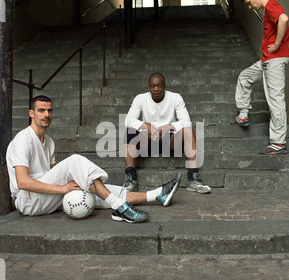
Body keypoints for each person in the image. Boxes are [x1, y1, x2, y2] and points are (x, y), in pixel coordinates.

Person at [6, 95, 181, 223]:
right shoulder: (23, 139)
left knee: (97, 190)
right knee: (74, 161)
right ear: (31, 113)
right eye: (41, 110)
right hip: (28, 200)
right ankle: (119, 207)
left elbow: (54, 173)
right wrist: (62, 189)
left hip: (45, 195)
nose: (46, 114)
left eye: (49, 110)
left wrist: (80, 182)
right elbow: (22, 182)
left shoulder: (49, 142)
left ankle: (157, 195)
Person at [123, 72, 211, 194]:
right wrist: (146, 125)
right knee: (130, 131)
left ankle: (193, 179)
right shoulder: (140, 98)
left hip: (169, 141)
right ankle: (131, 178)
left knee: (188, 131)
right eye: (153, 86)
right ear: (148, 87)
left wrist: (169, 127)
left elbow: (187, 122)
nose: (156, 89)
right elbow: (128, 120)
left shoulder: (175, 98)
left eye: (159, 86)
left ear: (164, 86)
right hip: (147, 141)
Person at [235, 0, 289, 155]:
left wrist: (277, 44)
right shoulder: (267, 11)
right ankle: (243, 113)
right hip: (267, 61)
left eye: (250, 3)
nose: (250, 7)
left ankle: (278, 143)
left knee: (275, 100)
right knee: (245, 77)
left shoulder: (272, 5)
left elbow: (284, 19)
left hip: (275, 61)